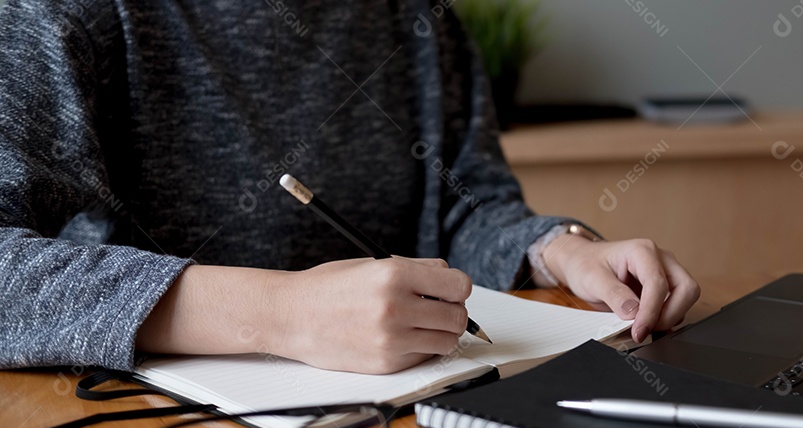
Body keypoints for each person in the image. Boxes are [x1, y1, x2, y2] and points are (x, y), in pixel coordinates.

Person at [0, 0, 699, 375]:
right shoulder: (71, 13)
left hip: (398, 421)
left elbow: (463, 206)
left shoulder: (419, 20)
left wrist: (556, 247)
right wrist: (279, 312)